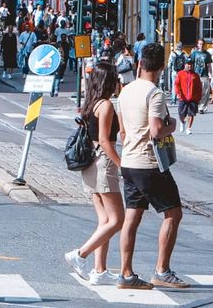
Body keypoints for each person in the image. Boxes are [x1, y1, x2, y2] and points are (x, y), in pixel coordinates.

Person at [116, 42, 188, 291]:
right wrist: (172, 126)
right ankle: (162, 270)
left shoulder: (125, 91)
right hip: (149, 164)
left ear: (140, 63)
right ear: (161, 67)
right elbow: (157, 131)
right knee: (173, 213)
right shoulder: (154, 93)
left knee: (131, 217)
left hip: (129, 162)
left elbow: (123, 132)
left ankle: (125, 274)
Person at [65, 61, 124, 286]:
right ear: (109, 81)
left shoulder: (91, 104)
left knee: (104, 220)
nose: (118, 82)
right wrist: (121, 165)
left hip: (90, 164)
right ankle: (80, 255)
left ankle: (100, 270)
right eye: (115, 78)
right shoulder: (106, 106)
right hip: (103, 163)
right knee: (117, 220)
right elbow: (104, 140)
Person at [174, 60, 201, 135]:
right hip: (183, 98)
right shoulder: (180, 74)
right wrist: (178, 94)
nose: (189, 66)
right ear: (185, 65)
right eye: (188, 64)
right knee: (181, 114)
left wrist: (198, 97)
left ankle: (189, 128)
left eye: (191, 64)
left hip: (193, 98)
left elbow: (199, 87)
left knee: (191, 114)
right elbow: (176, 84)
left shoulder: (195, 75)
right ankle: (182, 122)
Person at [189, 39, 211, 112]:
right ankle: (196, 106)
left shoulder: (207, 54)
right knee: (195, 92)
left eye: (202, 44)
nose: (201, 45)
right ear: (198, 45)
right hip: (196, 75)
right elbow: (190, 63)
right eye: (200, 44)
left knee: (205, 92)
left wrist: (210, 75)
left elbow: (208, 65)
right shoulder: (194, 53)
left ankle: (202, 108)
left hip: (204, 75)